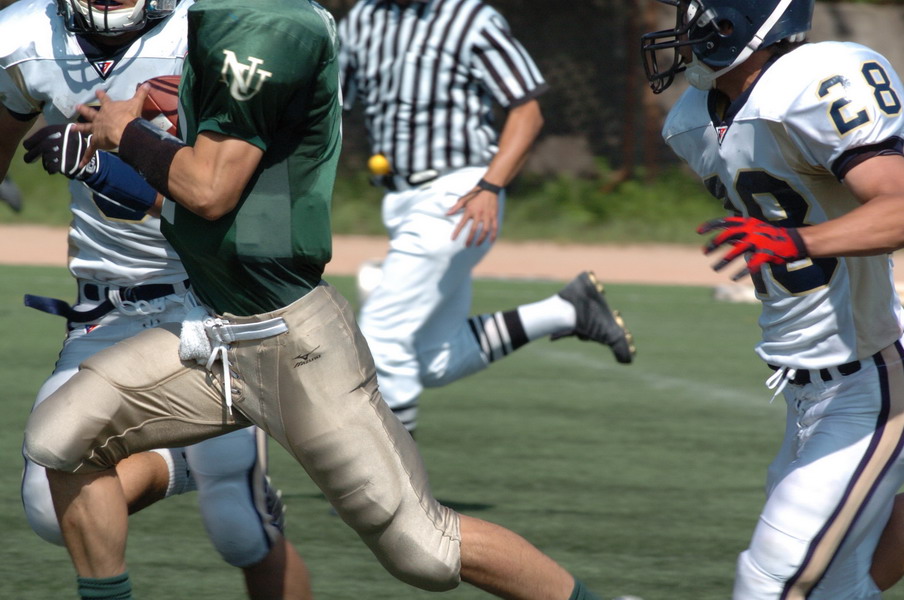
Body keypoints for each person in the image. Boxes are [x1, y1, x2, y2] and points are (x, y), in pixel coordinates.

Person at [19, 0, 610, 598]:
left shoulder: (270, 26)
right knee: (60, 435)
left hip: (289, 341)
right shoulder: (222, 23)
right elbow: (188, 203)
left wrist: (125, 135)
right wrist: (105, 161)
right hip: (214, 333)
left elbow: (208, 190)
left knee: (425, 551)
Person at [0, 0, 310, 597]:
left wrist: (109, 167)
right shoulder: (26, 36)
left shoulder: (224, 30)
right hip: (108, 305)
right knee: (48, 506)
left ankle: (226, 478)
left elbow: (248, 207)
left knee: (240, 528)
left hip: (214, 300)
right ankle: (185, 461)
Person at [642, 0, 904, 597]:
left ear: (738, 22)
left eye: (694, 16)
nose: (681, 32)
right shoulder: (691, 119)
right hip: (804, 388)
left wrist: (797, 241)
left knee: (770, 581)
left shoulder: (811, 84)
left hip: (870, 380)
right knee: (835, 590)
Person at [337, 0, 636, 433]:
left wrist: (490, 186)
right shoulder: (363, 19)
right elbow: (330, 103)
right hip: (400, 200)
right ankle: (567, 310)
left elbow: (528, 109)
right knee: (435, 359)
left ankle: (390, 475)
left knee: (382, 334)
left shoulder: (470, 18)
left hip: (458, 194)